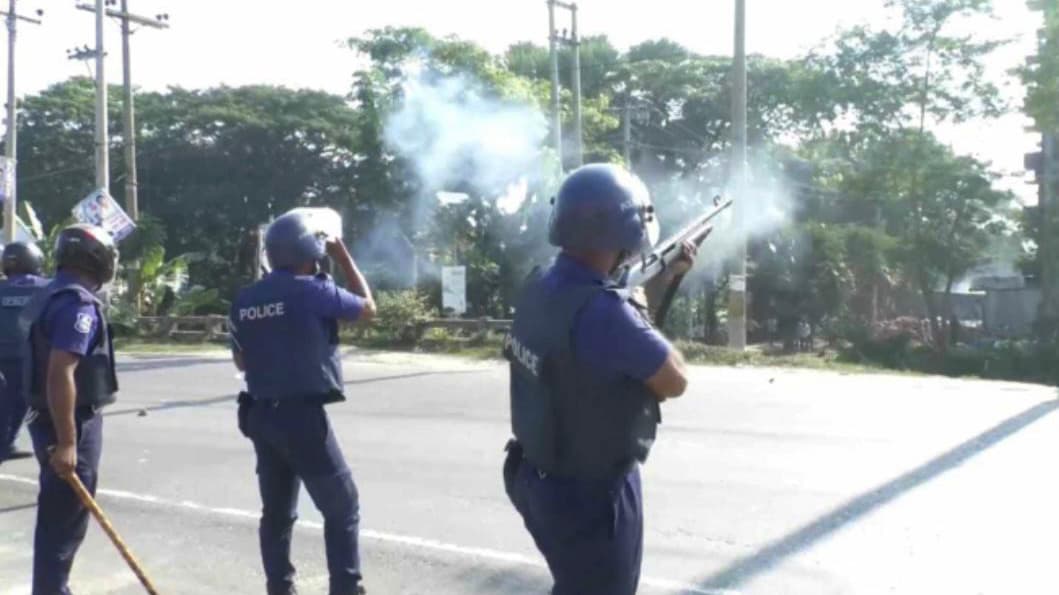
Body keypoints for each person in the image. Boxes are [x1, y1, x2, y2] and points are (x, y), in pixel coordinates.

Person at [502, 163, 694, 595]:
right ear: (626, 230)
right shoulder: (608, 312)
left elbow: (596, 341)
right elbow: (673, 379)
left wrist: (661, 279)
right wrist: (639, 307)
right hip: (590, 498)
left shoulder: (541, 283)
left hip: (536, 477)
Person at [229, 209, 376, 595]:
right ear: (312, 249)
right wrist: (343, 257)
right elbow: (367, 308)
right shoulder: (312, 290)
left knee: (277, 513)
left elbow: (241, 359)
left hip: (261, 414)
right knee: (342, 507)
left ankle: (280, 588)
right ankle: (346, 589)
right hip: (302, 418)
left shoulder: (246, 299)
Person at [20, 224, 119, 595]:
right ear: (97, 258)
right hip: (69, 421)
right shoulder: (78, 304)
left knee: (56, 523)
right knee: (63, 526)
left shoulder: (47, 294)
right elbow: (61, 369)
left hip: (43, 417)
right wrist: (67, 442)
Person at [0, 241, 49, 461]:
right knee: (28, 404)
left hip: (3, 358)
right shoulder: (46, 286)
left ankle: (6, 444)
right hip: (31, 358)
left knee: (6, 404)